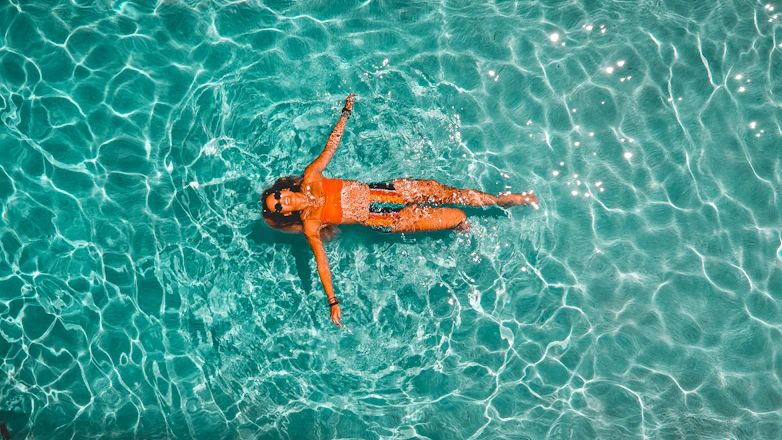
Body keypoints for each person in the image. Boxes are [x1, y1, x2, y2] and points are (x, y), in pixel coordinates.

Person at [262, 94, 538, 328]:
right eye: (278, 207)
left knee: (448, 193)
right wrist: (332, 300)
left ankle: (499, 201)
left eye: (277, 196)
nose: (281, 202)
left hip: (388, 190)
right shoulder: (311, 224)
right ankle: (459, 224)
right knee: (459, 216)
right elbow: (322, 264)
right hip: (386, 218)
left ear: (284, 189)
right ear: (284, 214)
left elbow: (330, 148)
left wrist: (345, 113)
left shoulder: (311, 177)